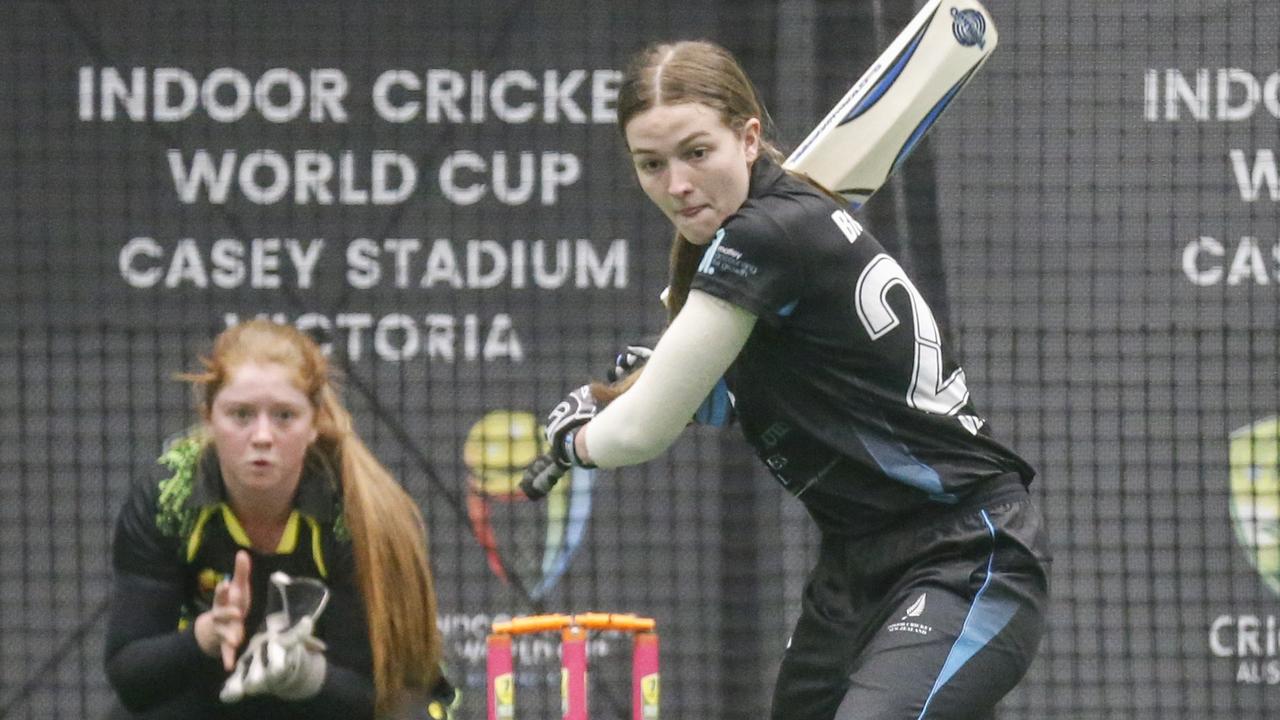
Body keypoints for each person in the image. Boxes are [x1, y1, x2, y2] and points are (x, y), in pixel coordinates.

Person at [521, 40, 1050, 720]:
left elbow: (640, 432)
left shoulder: (760, 239)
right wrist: (672, 385)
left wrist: (577, 436)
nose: (677, 184)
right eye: (651, 165)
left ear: (748, 138)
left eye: (696, 153)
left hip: (967, 553)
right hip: (855, 567)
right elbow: (765, 395)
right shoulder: (767, 239)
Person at [105, 319, 457, 719]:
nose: (262, 436)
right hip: (218, 689)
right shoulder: (168, 498)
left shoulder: (359, 509)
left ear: (314, 423)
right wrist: (204, 636)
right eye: (240, 414)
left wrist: (305, 675)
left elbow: (386, 693)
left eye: (284, 416)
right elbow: (130, 675)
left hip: (331, 698)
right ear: (208, 417)